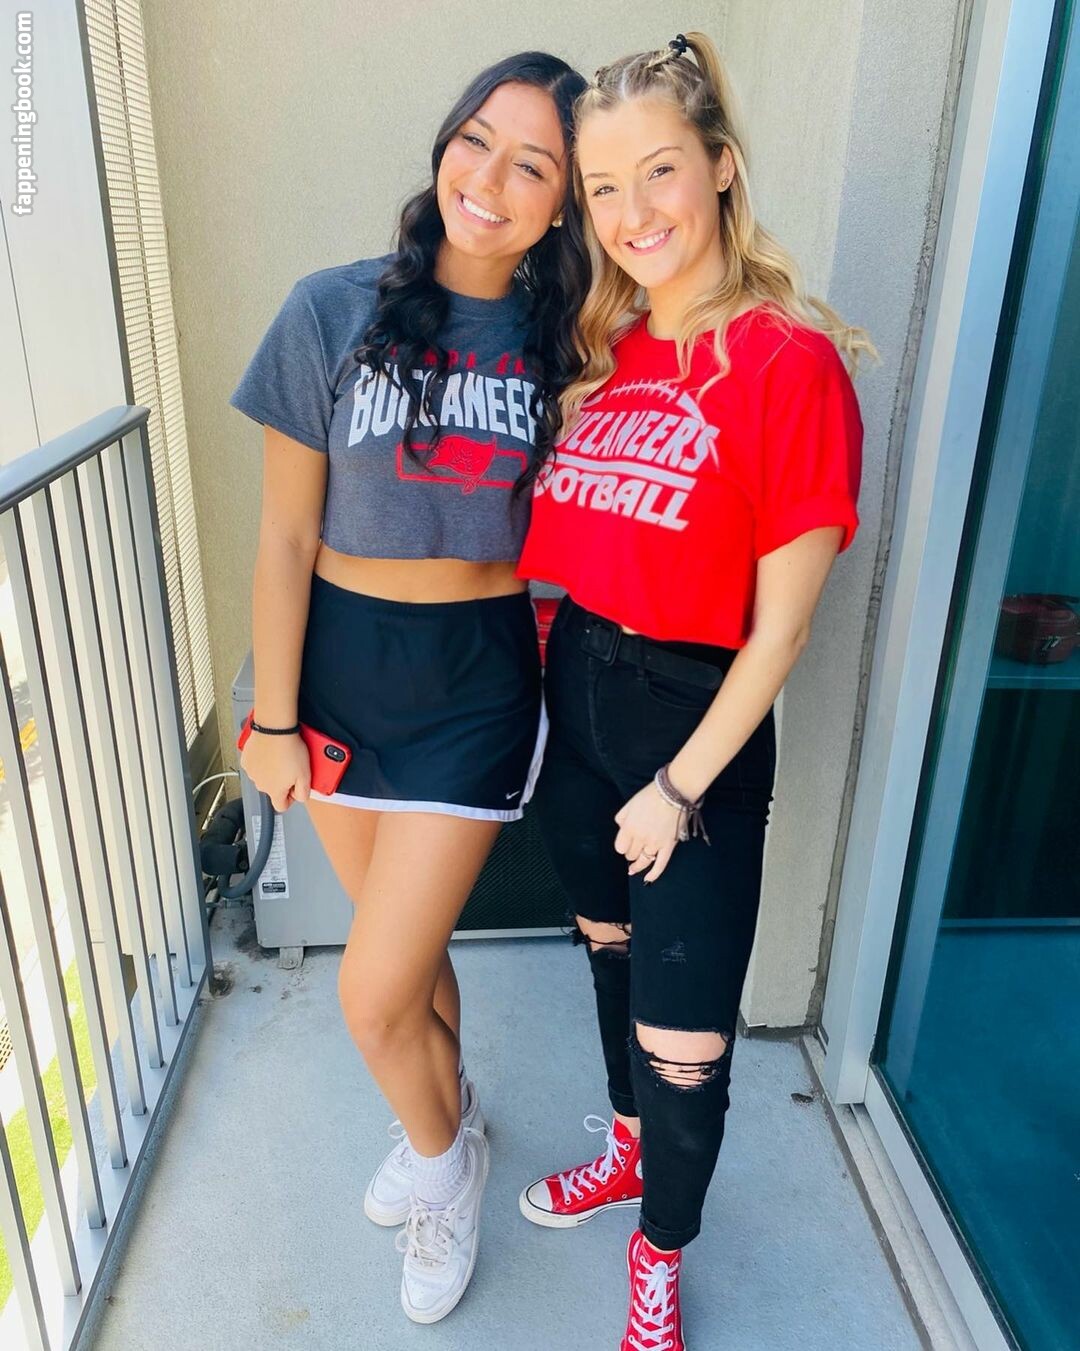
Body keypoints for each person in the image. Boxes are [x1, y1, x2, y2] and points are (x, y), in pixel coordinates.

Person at [515, 32, 873, 1350]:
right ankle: (624, 1152)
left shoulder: (789, 363)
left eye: (658, 170)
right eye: (602, 187)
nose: (631, 212)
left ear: (721, 166)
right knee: (608, 960)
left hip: (692, 731)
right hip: (577, 703)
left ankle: (660, 1249)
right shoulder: (609, 353)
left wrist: (678, 785)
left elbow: (783, 631)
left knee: (687, 1044)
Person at [229, 51, 587, 1325]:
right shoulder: (328, 311)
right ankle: (451, 1115)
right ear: (445, 142)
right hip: (336, 671)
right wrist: (274, 717)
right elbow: (284, 536)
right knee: (410, 954)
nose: (490, 177)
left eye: (533, 164)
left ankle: (446, 1168)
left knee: (371, 989)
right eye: (477, 139)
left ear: (564, 203)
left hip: (474, 680)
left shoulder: (569, 348)